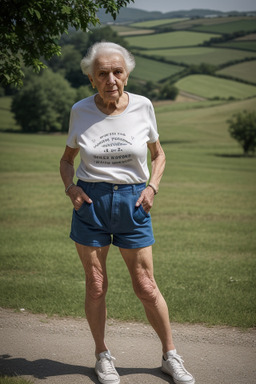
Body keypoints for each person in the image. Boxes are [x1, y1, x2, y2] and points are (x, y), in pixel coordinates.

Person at [60, 41, 195, 384]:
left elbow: (159, 155)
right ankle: (102, 356)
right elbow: (66, 160)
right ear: (92, 79)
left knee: (146, 286)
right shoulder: (80, 111)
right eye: (102, 73)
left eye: (117, 72)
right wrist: (71, 188)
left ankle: (170, 355)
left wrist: (152, 187)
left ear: (127, 75)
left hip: (134, 203)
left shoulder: (144, 107)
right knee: (95, 284)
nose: (111, 79)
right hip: (91, 203)